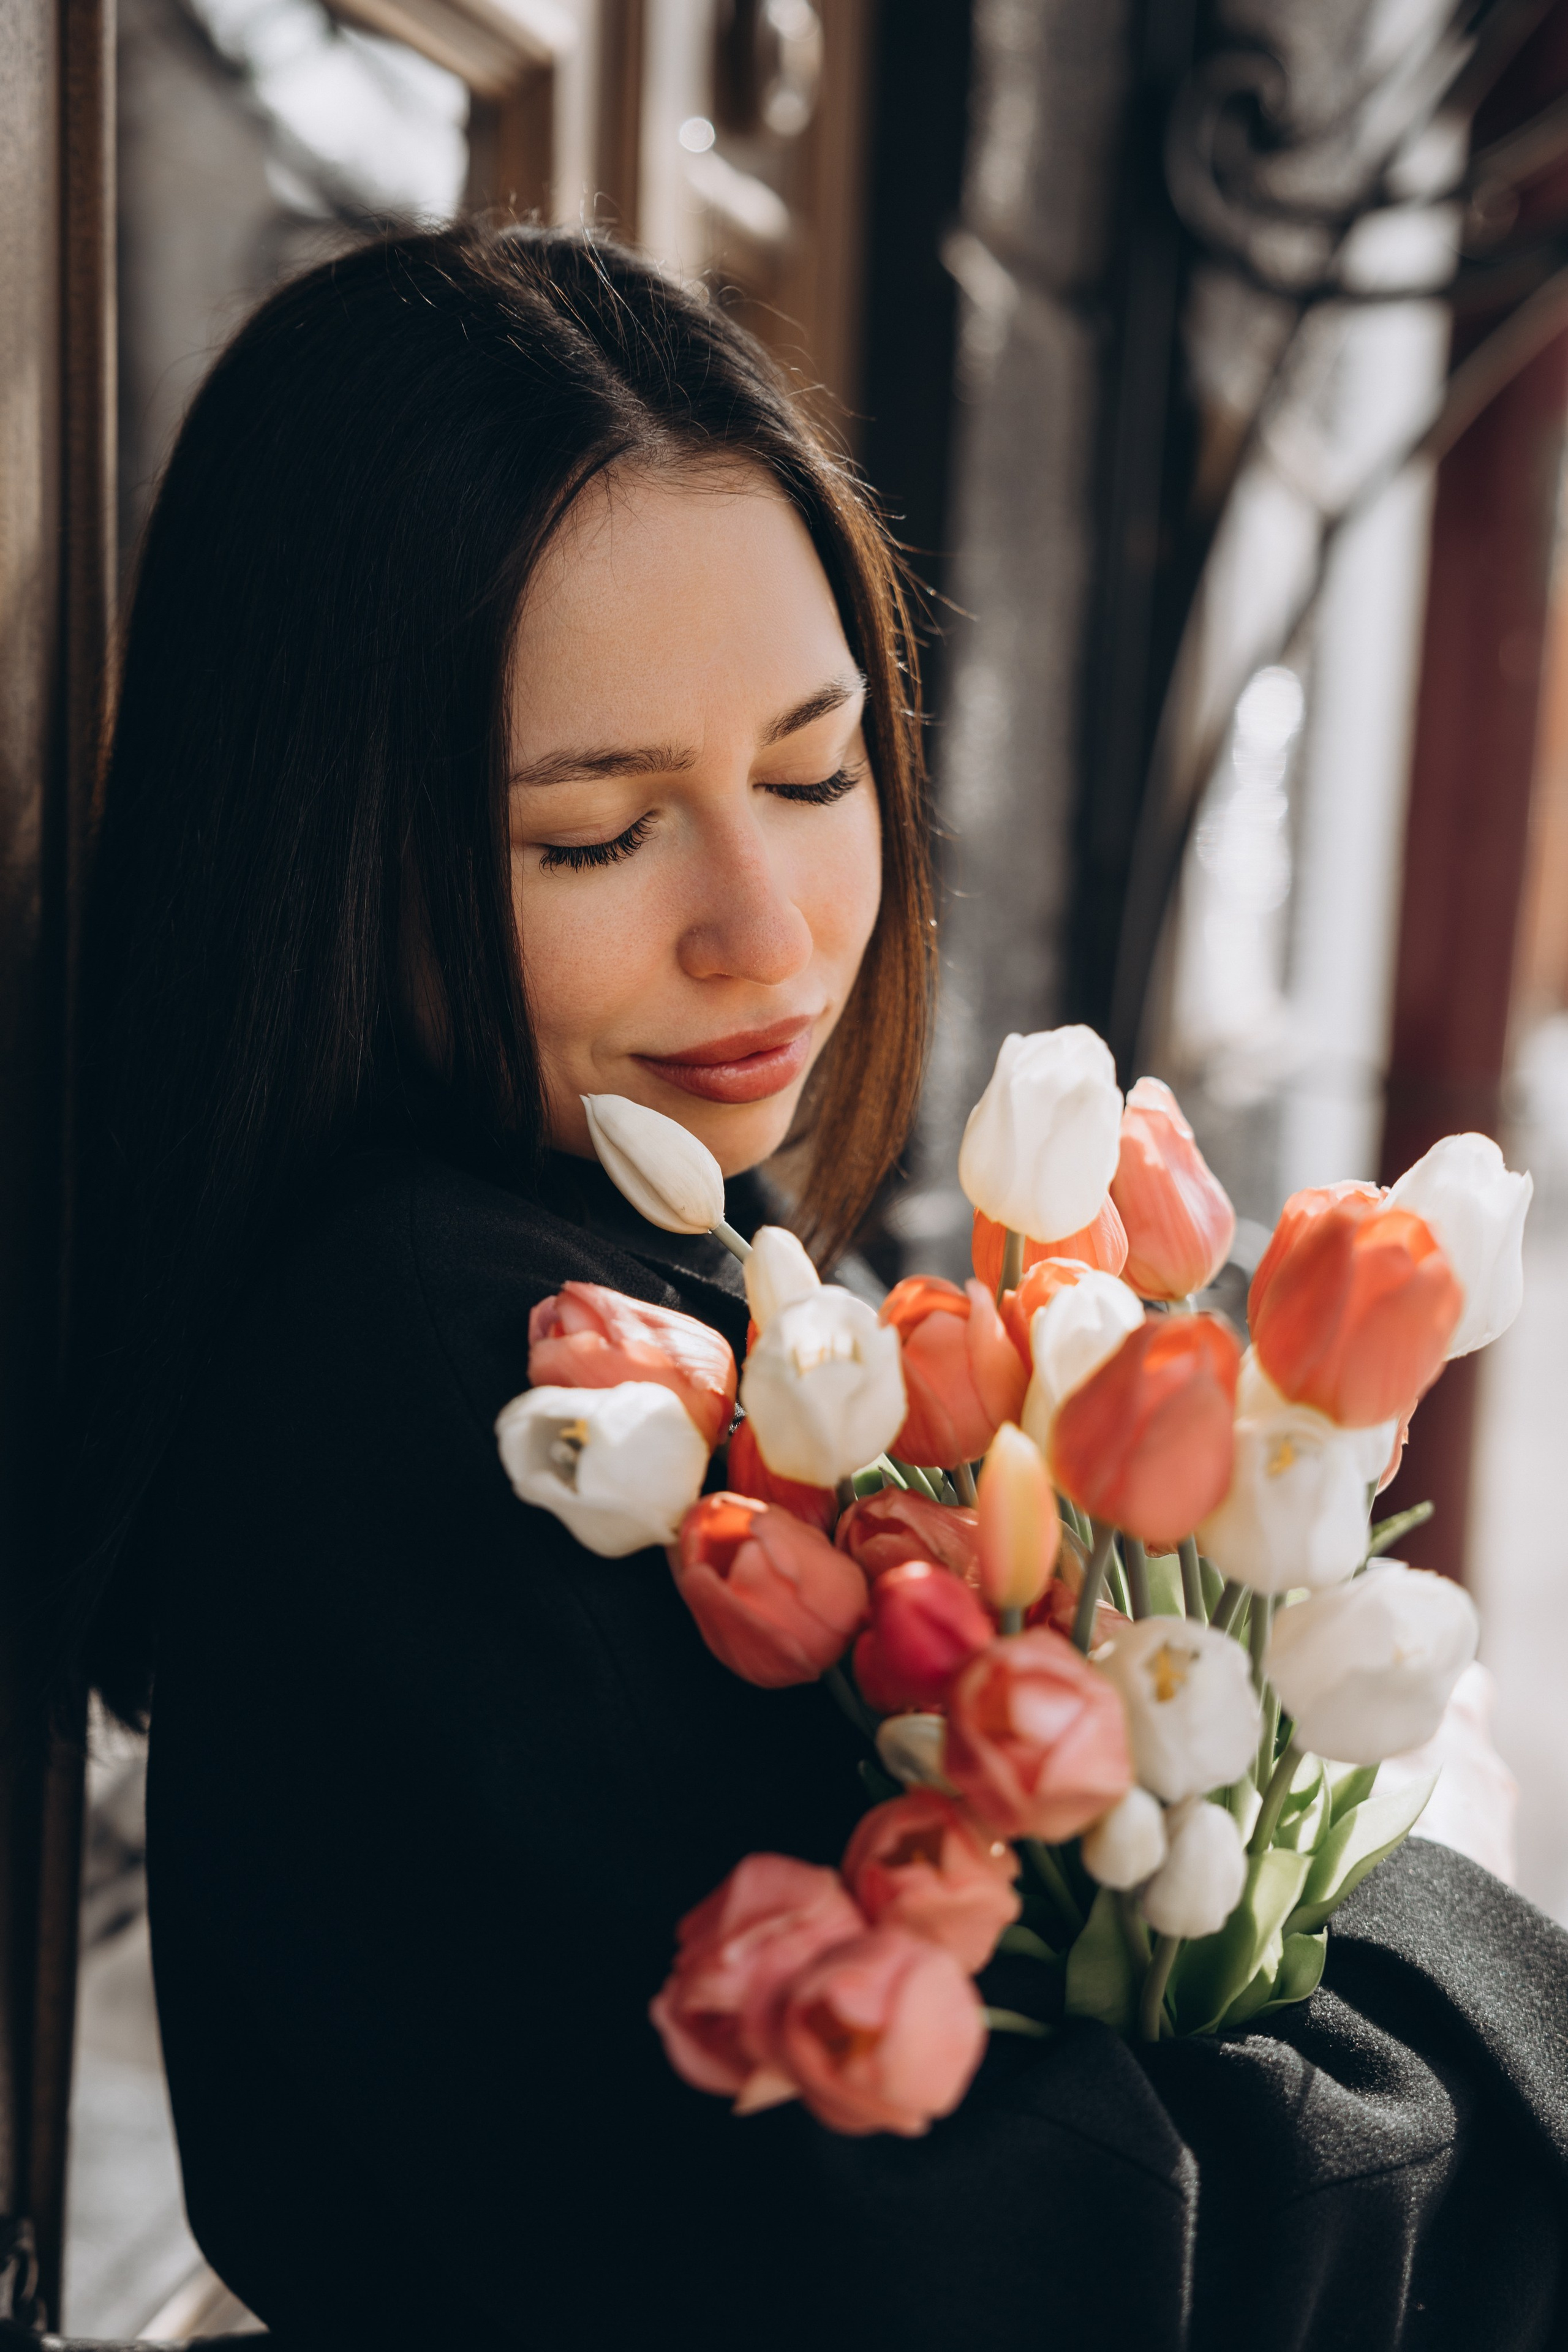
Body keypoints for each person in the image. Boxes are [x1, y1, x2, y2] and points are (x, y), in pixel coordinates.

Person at [62, 226, 1568, 2350]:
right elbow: (1008, 2268)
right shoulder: (455, 1390)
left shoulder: (634, 1268)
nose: (765, 933)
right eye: (596, 835)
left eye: (812, 771)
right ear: (319, 846)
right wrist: (1418, 1866)